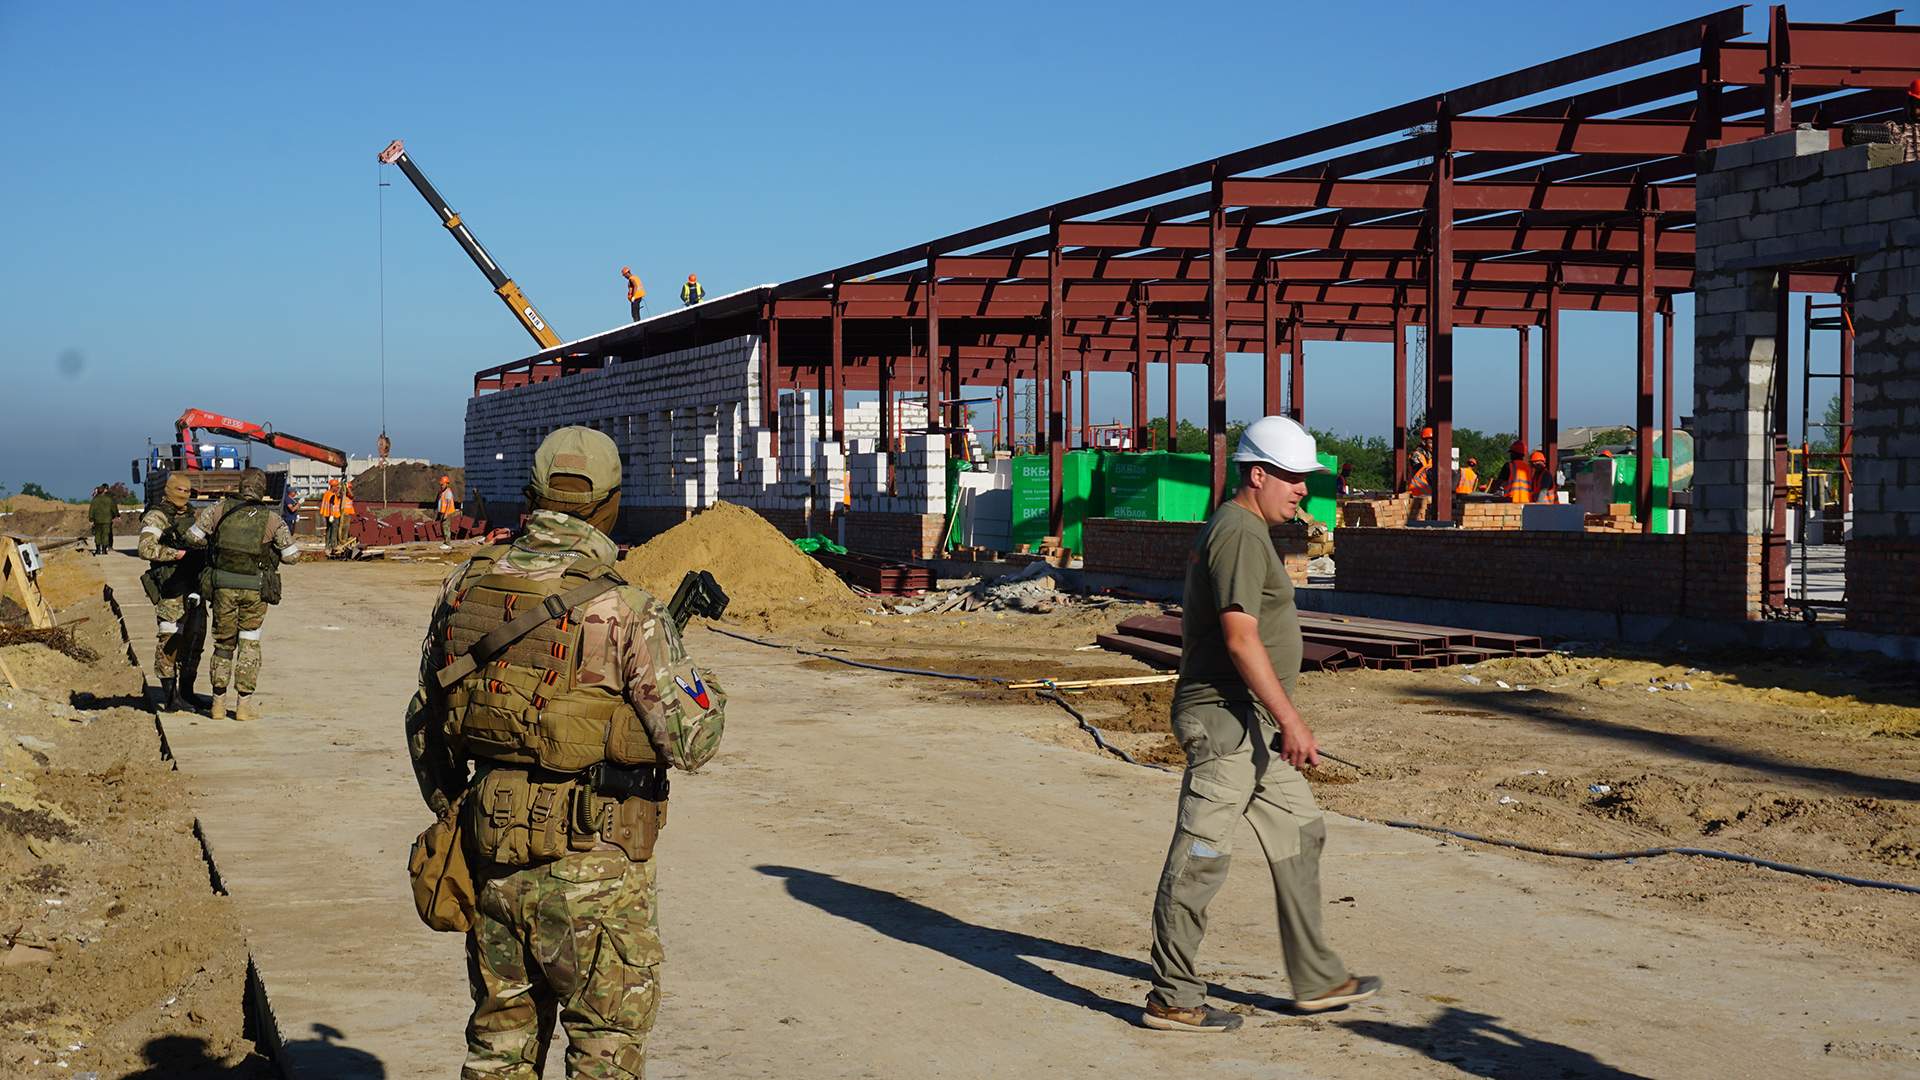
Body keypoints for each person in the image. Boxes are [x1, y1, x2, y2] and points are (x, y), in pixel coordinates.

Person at [407, 426, 726, 1077]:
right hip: (596, 876)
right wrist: (702, 685)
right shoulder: (628, 609)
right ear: (610, 506)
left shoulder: (465, 586)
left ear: (531, 497)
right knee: (605, 1050)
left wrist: (454, 808)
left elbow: (425, 717)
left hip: (492, 859)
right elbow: (693, 739)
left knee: (497, 1049)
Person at [1145, 415, 1380, 1033]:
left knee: (1301, 830)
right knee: (1201, 857)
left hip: (1250, 723)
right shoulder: (1239, 534)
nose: (1303, 489)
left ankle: (1317, 979)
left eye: (1305, 478)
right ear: (1256, 475)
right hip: (1224, 719)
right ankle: (1172, 996)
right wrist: (1292, 719)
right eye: (1292, 477)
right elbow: (1240, 637)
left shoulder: (1247, 530)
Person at [181, 468, 299, 722]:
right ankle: (243, 707)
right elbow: (292, 556)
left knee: (223, 644)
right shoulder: (272, 519)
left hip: (222, 587)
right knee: (249, 642)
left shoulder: (217, 510)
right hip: (255, 589)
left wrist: (214, 546)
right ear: (262, 489)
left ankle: (218, 705)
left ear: (240, 486)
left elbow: (192, 537)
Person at [137, 472, 207, 713]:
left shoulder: (193, 515)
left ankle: (187, 692)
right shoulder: (157, 516)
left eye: (187, 491)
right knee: (170, 641)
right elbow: (145, 548)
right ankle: (170, 697)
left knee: (195, 640)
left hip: (194, 586)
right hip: (171, 588)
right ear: (169, 490)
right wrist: (176, 554)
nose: (184, 495)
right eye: (180, 490)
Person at [89, 484, 117, 555]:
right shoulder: (109, 499)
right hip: (107, 520)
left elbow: (91, 510)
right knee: (105, 534)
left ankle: (98, 550)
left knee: (97, 534)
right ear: (104, 491)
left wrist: (91, 519)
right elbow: (113, 508)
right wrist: (115, 515)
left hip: (97, 520)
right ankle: (104, 550)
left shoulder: (94, 500)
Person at [320, 478, 343, 550]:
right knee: (334, 530)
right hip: (334, 515)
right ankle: (333, 545)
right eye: (336, 486)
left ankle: (327, 545)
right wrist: (332, 515)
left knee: (329, 530)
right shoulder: (332, 495)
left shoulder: (327, 493)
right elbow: (331, 505)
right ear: (333, 486)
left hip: (327, 515)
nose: (337, 488)